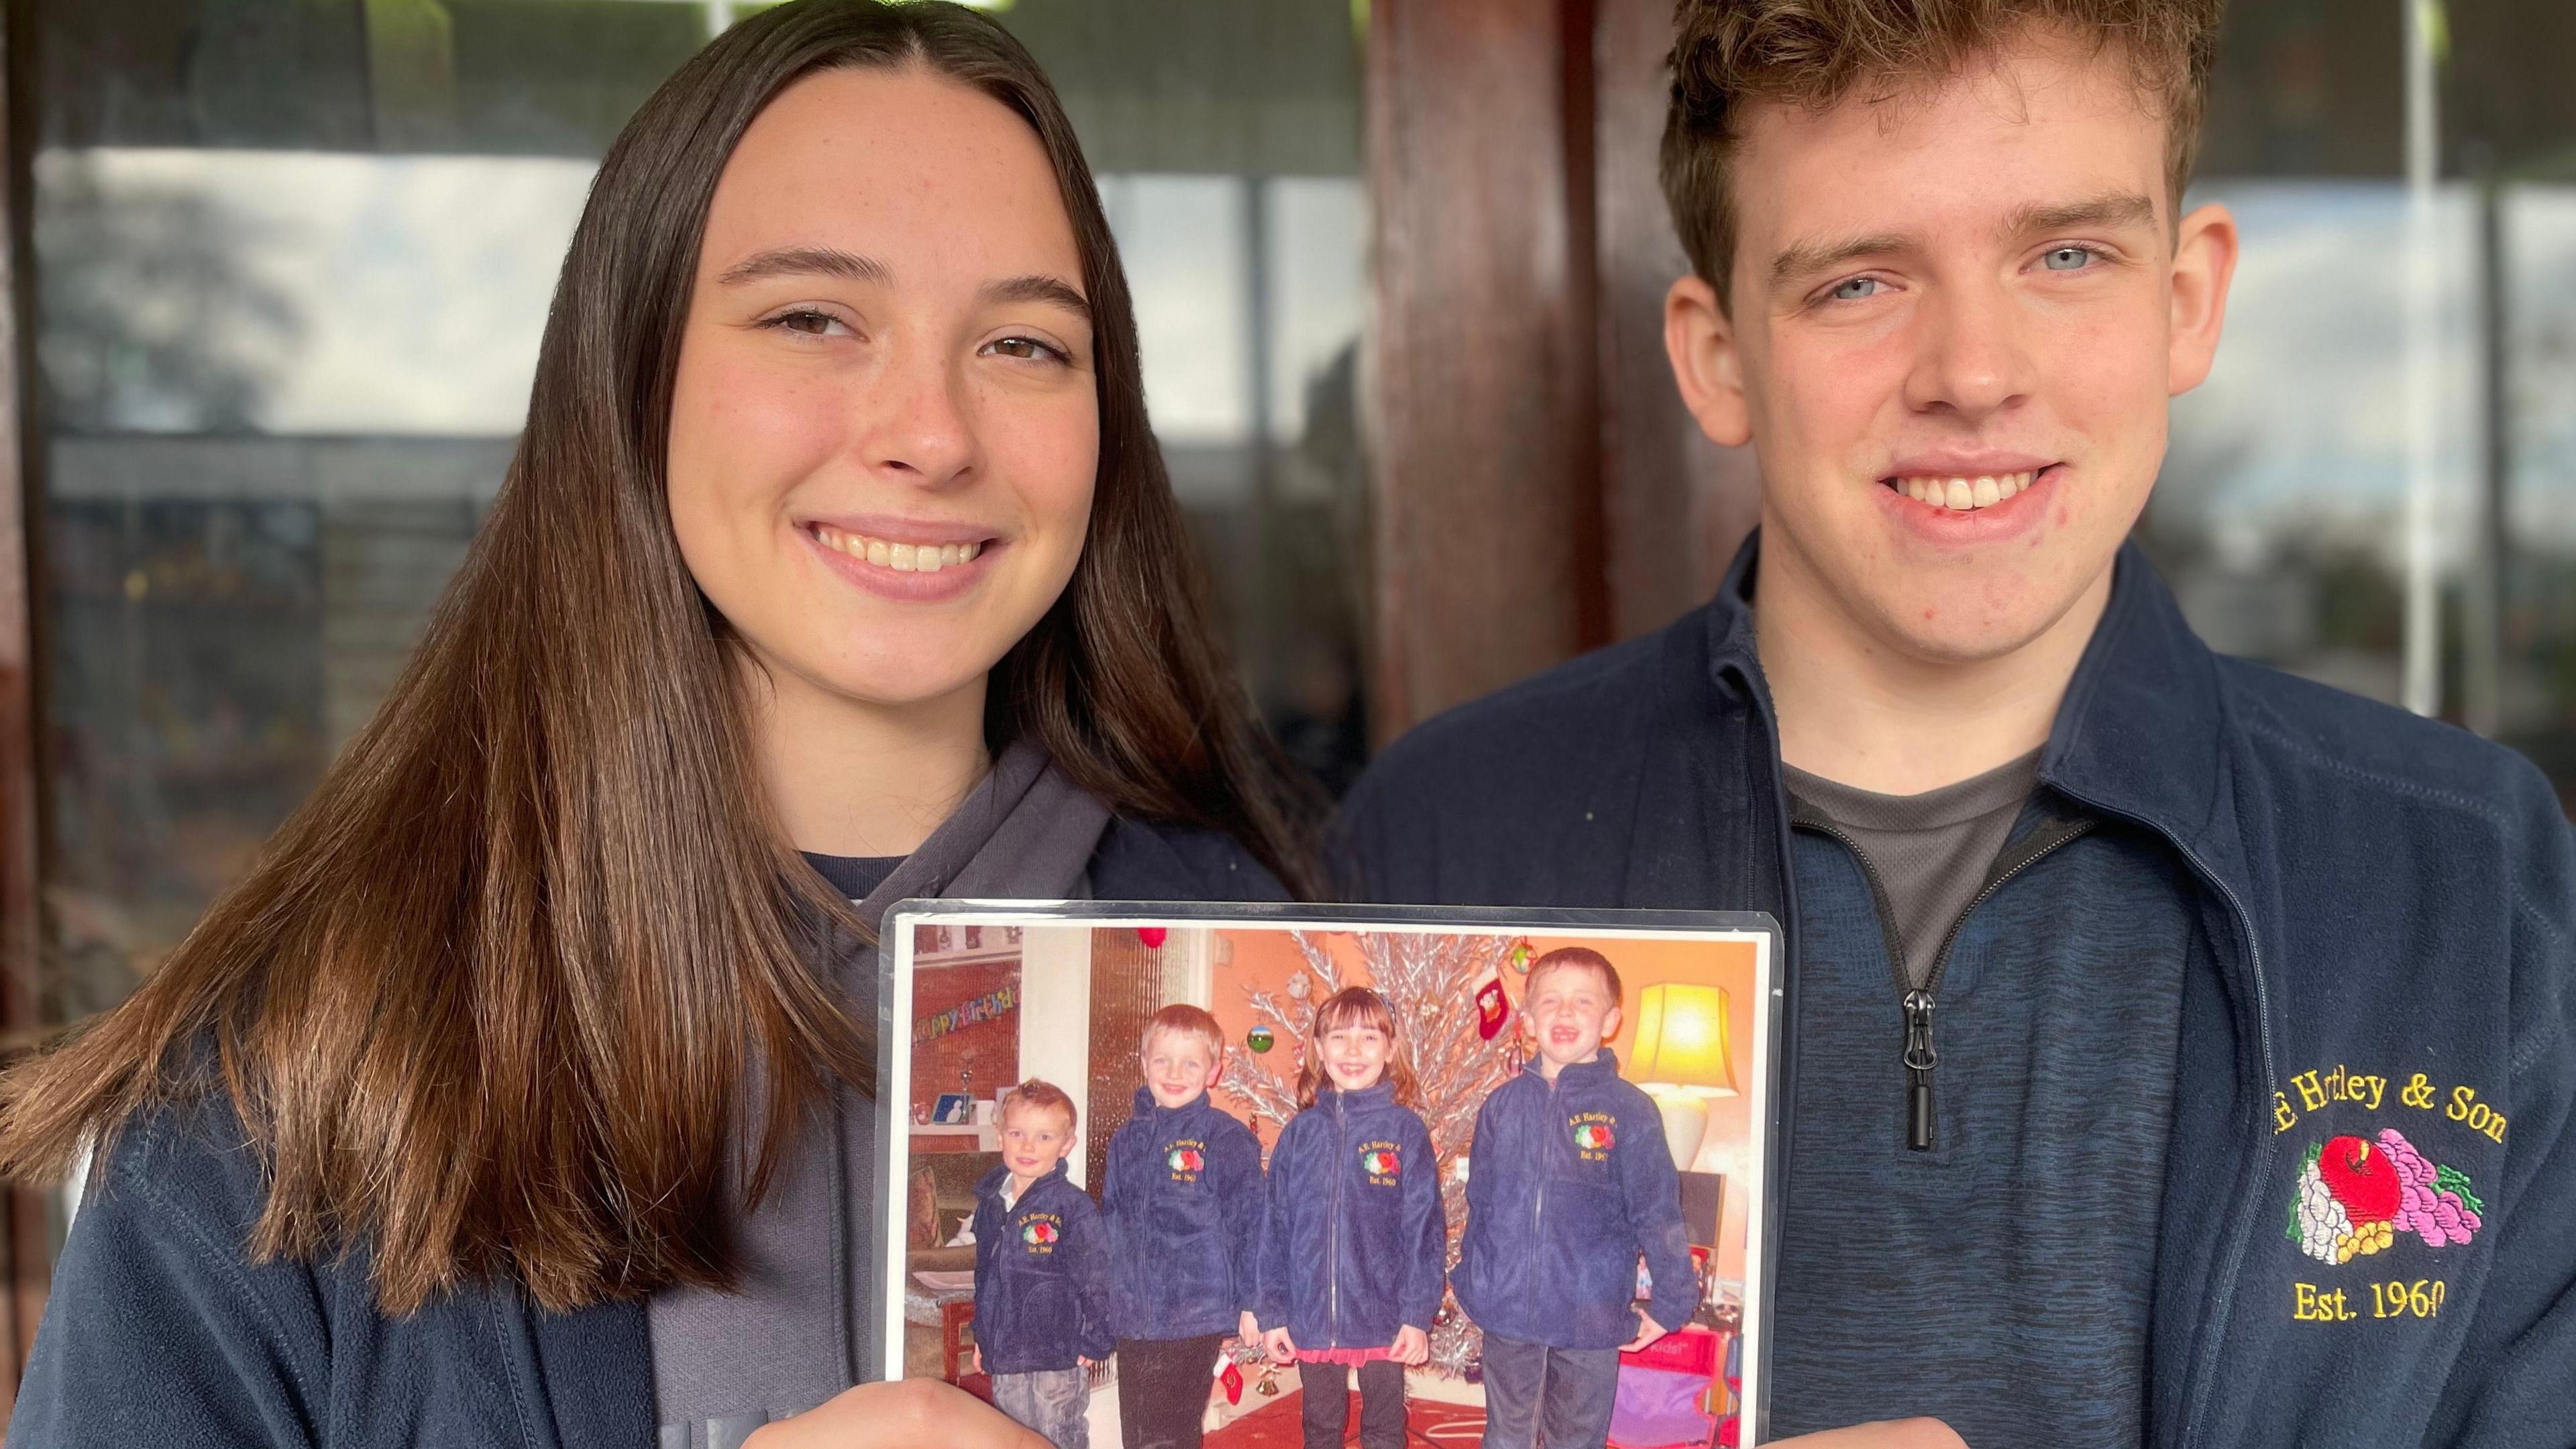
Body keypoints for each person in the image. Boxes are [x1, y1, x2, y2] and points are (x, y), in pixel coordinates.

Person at [0, 3, 1311, 1446]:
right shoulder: (287, 1093)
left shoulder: (1280, 993)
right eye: (814, 317)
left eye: (1022, 342)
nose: (932, 433)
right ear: (630, 379)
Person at [1335, 0, 2574, 1445]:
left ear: (2187, 300)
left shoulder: (2467, 879)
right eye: (1858, 283)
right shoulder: (1440, 837)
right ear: (1717, 354)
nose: (1974, 373)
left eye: (2066, 255)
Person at [1452, 949, 1697, 1449]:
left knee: (1577, 1439)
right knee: (1505, 1437)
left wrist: (1673, 1302)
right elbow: (1483, 1204)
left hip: (1591, 1317)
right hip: (1508, 1313)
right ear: (1528, 1018)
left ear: (1610, 1020)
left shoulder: (1630, 1110)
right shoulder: (1501, 1106)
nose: (1564, 1014)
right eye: (1550, 1002)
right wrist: (1473, 1281)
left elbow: (1658, 1211)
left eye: (1582, 1002)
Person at [1256, 987, 1446, 1449]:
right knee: (1320, 1427)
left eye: (1369, 1038)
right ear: (1318, 1050)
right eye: (1340, 1038)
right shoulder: (1300, 1134)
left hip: (1383, 1311)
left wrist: (1417, 1315)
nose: (1354, 1051)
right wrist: (1272, 1313)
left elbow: (1424, 1229)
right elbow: (1273, 1228)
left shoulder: (1405, 1131)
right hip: (1311, 1313)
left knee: (1383, 1427)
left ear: (1390, 1049)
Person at [1099, 1004, 1267, 1449]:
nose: (1175, 1072)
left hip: (1194, 1312)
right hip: (1135, 1314)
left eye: (1191, 1062)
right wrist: (1103, 1301)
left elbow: (1252, 1224)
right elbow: (1111, 1226)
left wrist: (1253, 1302)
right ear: (1144, 1064)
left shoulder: (1225, 1138)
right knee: (1139, 1434)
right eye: (1162, 1060)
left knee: (1167, 1437)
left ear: (1213, 1071)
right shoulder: (1125, 1141)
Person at [970, 1081, 1112, 1449]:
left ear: (1066, 1145)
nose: (1028, 1146)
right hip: (1005, 1354)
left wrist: (1097, 1338)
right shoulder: (990, 1202)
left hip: (1056, 1353)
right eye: (1017, 1133)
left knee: (1058, 1432)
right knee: (1011, 1437)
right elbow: (985, 1278)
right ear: (1000, 1135)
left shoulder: (1073, 1207)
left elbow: (1099, 1278)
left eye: (1044, 1137)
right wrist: (982, 1337)